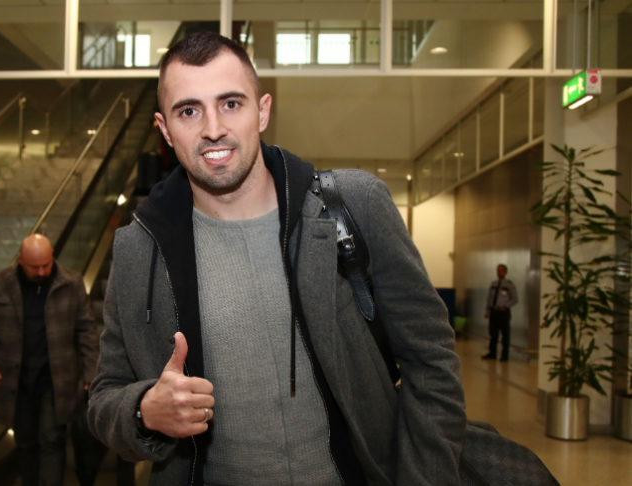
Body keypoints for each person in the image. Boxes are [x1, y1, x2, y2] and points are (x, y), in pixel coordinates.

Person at [88, 32, 466, 486]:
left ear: (262, 111)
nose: (213, 128)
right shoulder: (138, 248)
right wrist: (144, 410)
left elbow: (432, 363)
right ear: (165, 129)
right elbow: (104, 396)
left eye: (231, 103)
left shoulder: (354, 204)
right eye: (189, 111)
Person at [0, 234, 98, 486]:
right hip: (16, 380)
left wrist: (91, 373)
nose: (41, 271)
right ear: (20, 259)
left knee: (52, 441)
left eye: (46, 265)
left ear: (52, 255)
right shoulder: (2, 282)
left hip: (56, 380)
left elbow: (86, 329)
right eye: (34, 267)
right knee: (25, 443)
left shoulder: (71, 282)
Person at [482, 264, 518, 362]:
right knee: (493, 333)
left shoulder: (509, 285)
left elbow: (515, 299)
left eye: (502, 270)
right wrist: (487, 311)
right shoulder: (494, 284)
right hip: (494, 311)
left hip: (503, 313)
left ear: (505, 272)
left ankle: (504, 355)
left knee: (505, 334)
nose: (499, 272)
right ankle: (492, 353)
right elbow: (489, 298)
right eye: (498, 270)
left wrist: (506, 306)